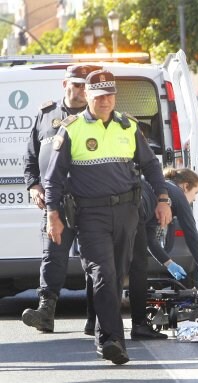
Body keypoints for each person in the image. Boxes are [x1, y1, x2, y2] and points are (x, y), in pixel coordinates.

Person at [43, 69, 172, 365]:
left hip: (127, 212)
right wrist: (53, 214)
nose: (105, 101)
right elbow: (54, 179)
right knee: (103, 274)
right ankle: (113, 341)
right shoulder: (71, 128)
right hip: (90, 214)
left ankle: (106, 336)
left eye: (109, 95)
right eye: (99, 95)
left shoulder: (128, 126)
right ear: (87, 95)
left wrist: (163, 199)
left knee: (116, 276)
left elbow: (151, 166)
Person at [85, 168, 198, 339]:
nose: (195, 198)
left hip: (109, 209)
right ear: (185, 186)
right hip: (131, 212)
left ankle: (92, 321)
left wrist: (168, 263)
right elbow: (191, 234)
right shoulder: (176, 192)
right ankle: (139, 325)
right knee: (138, 268)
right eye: (195, 192)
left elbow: (150, 240)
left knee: (100, 266)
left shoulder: (155, 190)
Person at [21, 64, 100, 333]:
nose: (79, 91)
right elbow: (31, 158)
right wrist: (33, 185)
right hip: (56, 202)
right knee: (52, 257)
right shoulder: (46, 115)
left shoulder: (97, 115)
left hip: (91, 201)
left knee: (95, 260)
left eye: (84, 86)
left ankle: (96, 317)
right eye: (75, 84)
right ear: (63, 84)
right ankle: (46, 311)